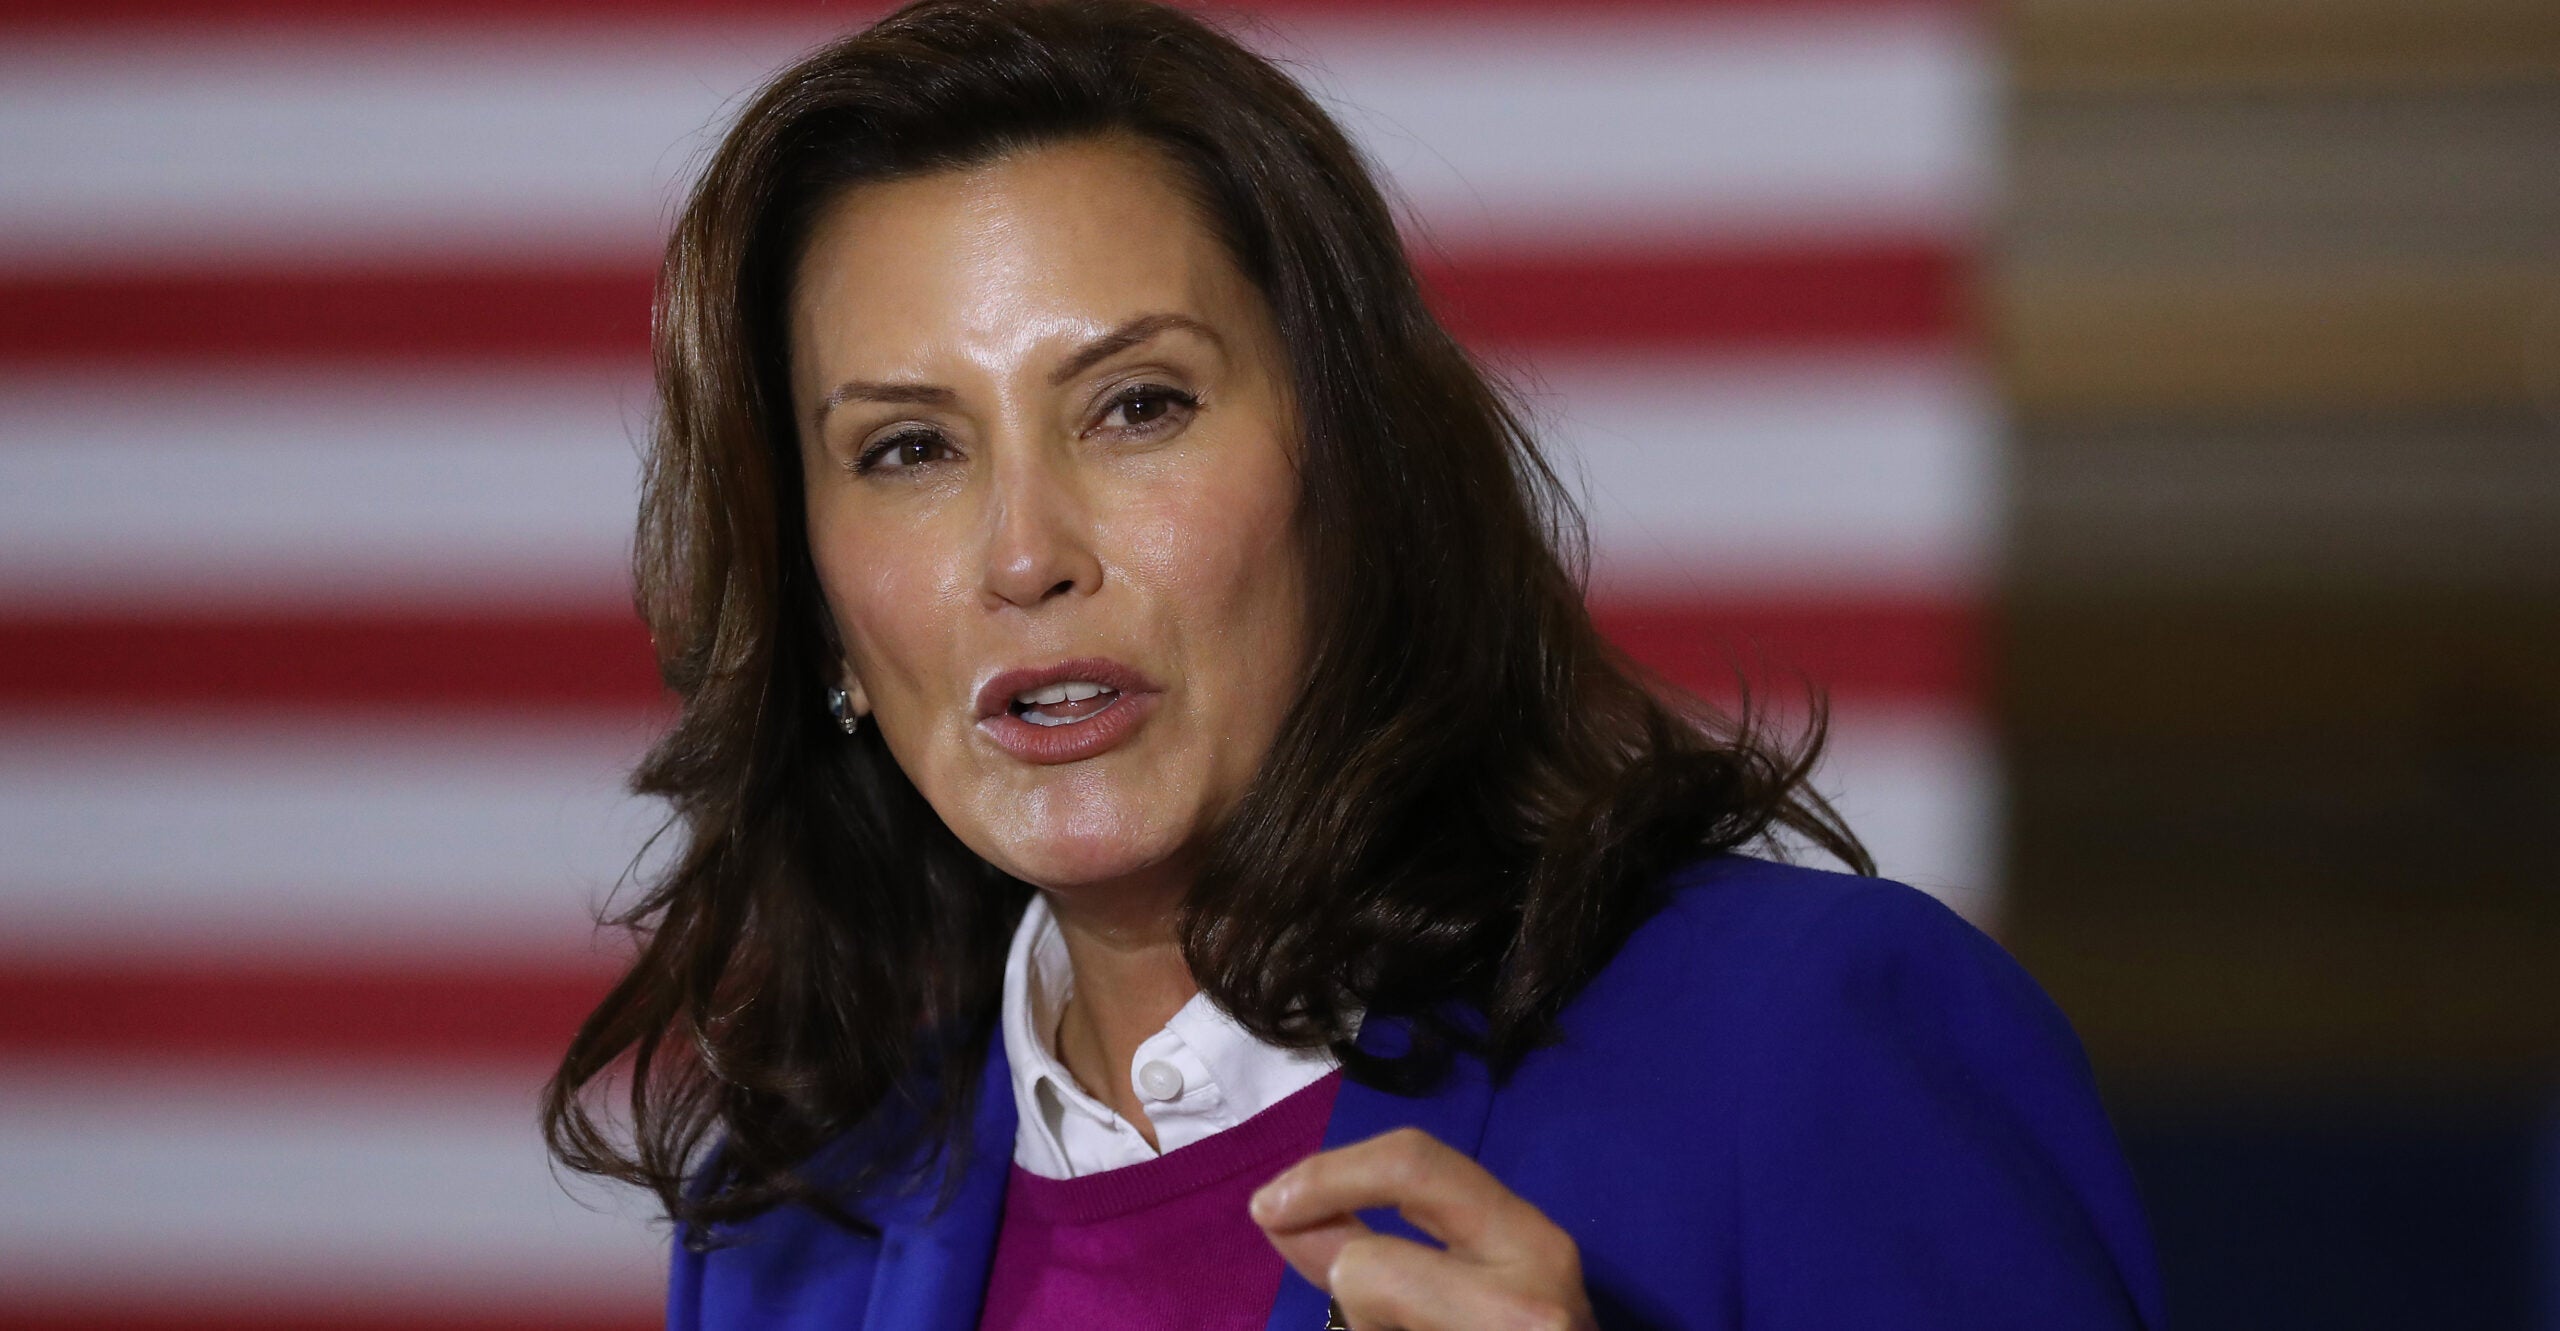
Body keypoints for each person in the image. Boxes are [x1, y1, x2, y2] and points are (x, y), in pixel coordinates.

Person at [542, 1, 2165, 1327]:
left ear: (1353, 475)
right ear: (821, 609)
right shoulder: (787, 1242)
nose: (1025, 555)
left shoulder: (1800, 1045)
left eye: (1139, 407)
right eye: (907, 448)